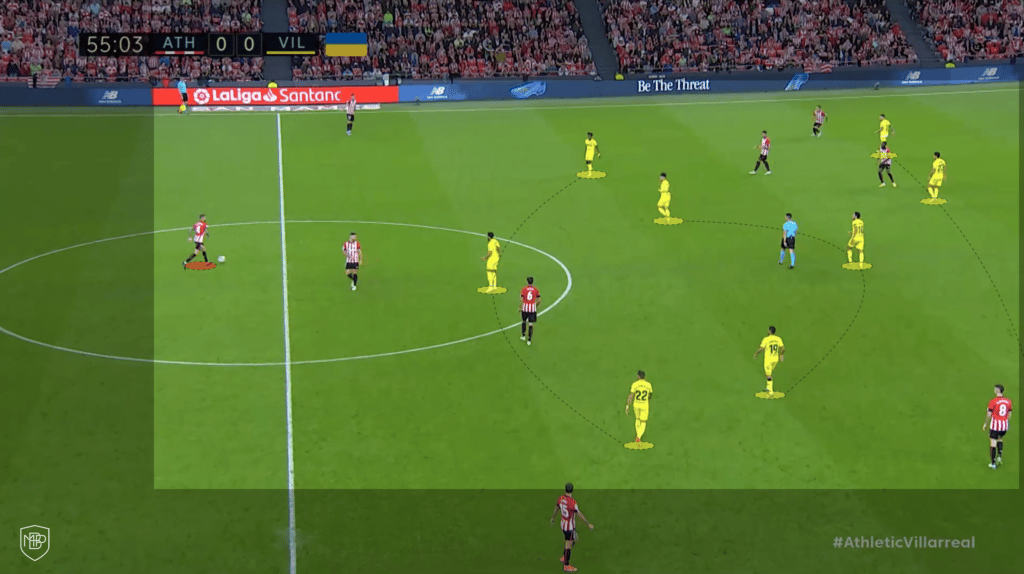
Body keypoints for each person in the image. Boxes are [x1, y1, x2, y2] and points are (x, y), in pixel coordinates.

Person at [550, 483, 594, 572]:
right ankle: (566, 565)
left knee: (572, 541)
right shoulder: (572, 502)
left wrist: (553, 518)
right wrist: (588, 524)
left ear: (565, 489)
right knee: (569, 544)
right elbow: (579, 514)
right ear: (572, 490)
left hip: (563, 525)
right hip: (569, 528)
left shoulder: (561, 498)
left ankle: (565, 557)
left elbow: (556, 508)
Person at [983, 384, 1012, 469]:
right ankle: (999, 456)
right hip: (1004, 426)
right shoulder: (1008, 401)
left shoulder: (993, 401)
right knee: (1000, 439)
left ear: (997, 390)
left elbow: (989, 414)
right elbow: (1009, 414)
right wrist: (1005, 421)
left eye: (995, 389)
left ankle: (993, 463)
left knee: (993, 443)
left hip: (995, 426)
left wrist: (985, 424)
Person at [753, 326, 784, 396]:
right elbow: (782, 348)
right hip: (775, 359)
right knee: (769, 373)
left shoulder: (766, 339)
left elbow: (761, 348)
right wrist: (781, 355)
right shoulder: (778, 339)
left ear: (769, 331)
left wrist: (756, 353)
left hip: (768, 359)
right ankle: (768, 387)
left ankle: (770, 391)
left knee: (768, 375)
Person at [625, 370, 653, 443]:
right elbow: (650, 395)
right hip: (644, 405)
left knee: (637, 419)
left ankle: (637, 435)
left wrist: (627, 405)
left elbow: (631, 395)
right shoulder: (648, 385)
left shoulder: (634, 384)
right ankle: (638, 437)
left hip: (636, 405)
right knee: (643, 421)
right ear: (644, 377)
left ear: (638, 376)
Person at [520, 277, 540, 345]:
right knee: (530, 324)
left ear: (527, 282)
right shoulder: (535, 289)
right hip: (532, 309)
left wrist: (520, 307)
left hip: (525, 308)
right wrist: (535, 306)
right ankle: (529, 340)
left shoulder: (524, 289)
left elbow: (521, 299)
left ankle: (523, 336)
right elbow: (538, 300)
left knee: (524, 322)